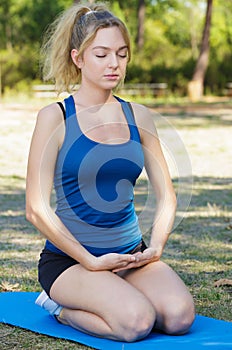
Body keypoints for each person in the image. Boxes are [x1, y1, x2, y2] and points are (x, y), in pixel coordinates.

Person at [26, 1, 195, 343]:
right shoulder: (54, 117)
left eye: (121, 53)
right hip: (71, 262)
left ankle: (116, 291)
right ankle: (57, 307)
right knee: (136, 323)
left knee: (179, 317)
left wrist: (156, 246)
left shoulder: (139, 116)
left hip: (131, 253)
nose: (114, 63)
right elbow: (36, 209)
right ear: (78, 58)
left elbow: (166, 196)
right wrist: (90, 261)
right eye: (101, 54)